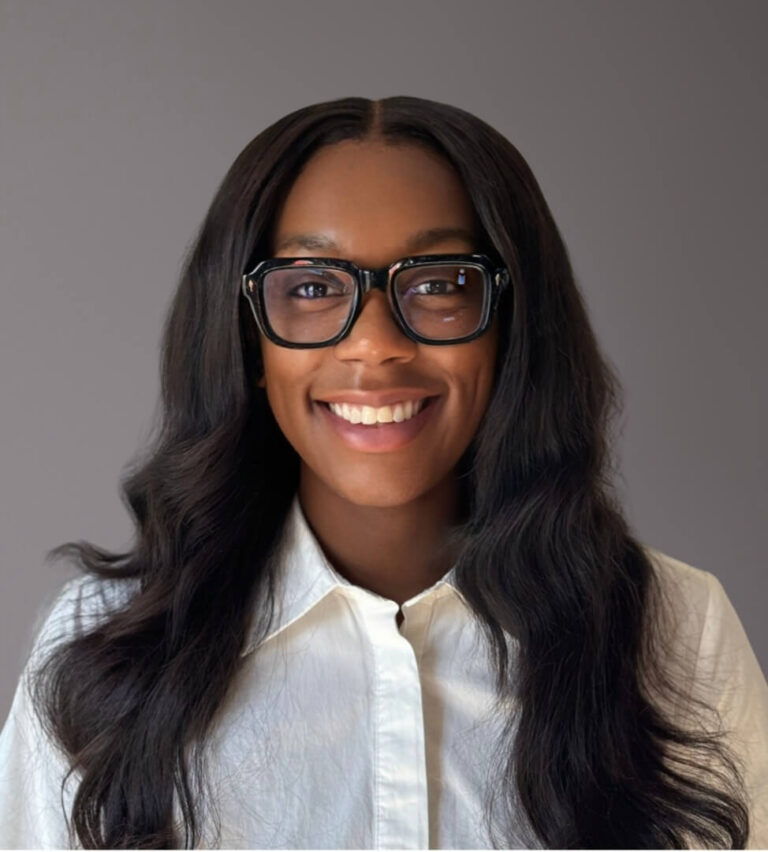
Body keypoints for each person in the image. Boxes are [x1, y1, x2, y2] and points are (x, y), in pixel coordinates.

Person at [0, 95, 766, 849]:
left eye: (436, 284)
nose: (373, 346)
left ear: (512, 327)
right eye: (309, 287)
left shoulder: (676, 633)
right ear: (246, 343)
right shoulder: (101, 651)